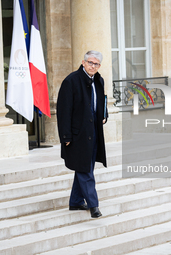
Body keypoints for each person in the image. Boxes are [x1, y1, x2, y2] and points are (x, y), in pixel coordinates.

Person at [56, 50, 108, 218]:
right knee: (85, 169)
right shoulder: (71, 81)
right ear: (83, 62)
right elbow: (63, 111)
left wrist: (104, 114)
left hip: (93, 132)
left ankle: (76, 201)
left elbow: (102, 100)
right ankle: (94, 205)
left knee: (85, 166)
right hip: (77, 135)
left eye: (96, 64)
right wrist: (66, 137)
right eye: (90, 62)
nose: (93, 66)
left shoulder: (99, 80)